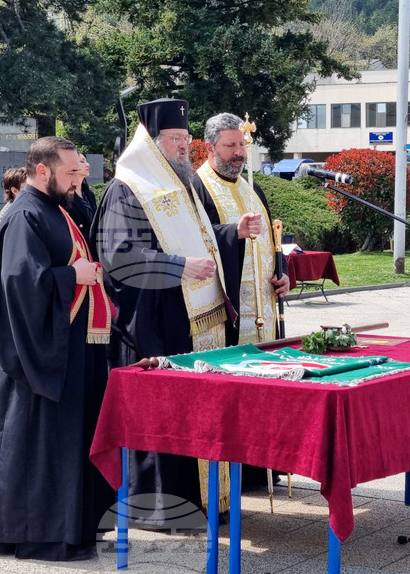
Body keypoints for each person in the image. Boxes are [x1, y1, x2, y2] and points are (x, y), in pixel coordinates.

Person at [92, 98, 256, 524]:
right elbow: (120, 255)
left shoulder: (181, 183)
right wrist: (180, 268)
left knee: (194, 415)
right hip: (152, 322)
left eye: (186, 138)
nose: (184, 146)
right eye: (175, 138)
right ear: (151, 139)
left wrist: (230, 233)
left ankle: (202, 499)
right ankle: (163, 509)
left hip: (193, 321)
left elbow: (201, 239)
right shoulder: (127, 188)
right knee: (164, 418)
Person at [0, 136, 115, 561]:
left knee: (70, 439)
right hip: (40, 354)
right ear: (42, 171)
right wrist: (73, 277)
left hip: (71, 348)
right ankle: (40, 532)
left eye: (79, 171)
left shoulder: (56, 208)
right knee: (41, 445)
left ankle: (73, 524)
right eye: (70, 172)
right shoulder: (24, 216)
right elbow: (21, 286)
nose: (77, 180)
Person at [192, 112, 290, 346]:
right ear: (210, 147)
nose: (239, 153)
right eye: (230, 145)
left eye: (242, 144)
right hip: (227, 310)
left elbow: (271, 243)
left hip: (265, 311)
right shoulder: (196, 188)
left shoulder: (253, 189)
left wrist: (282, 272)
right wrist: (234, 232)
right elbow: (192, 241)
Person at [67, 152, 97, 237]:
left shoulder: (89, 194)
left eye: (86, 161)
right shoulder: (65, 194)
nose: (88, 165)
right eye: (82, 161)